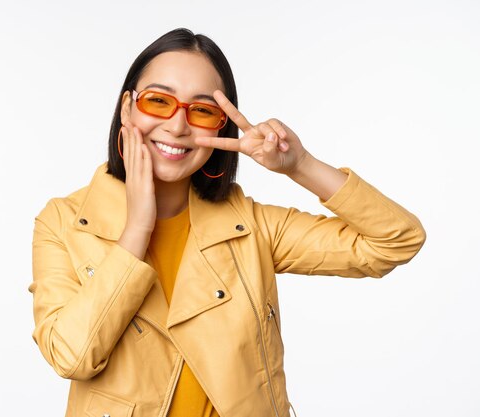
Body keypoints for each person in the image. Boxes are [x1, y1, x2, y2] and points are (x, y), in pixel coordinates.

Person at [29, 28, 426, 417]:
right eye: (158, 101)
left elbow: (396, 240)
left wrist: (299, 165)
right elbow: (70, 357)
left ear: (222, 125)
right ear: (127, 107)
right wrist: (137, 229)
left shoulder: (250, 226)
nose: (177, 125)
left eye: (202, 110)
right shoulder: (64, 222)